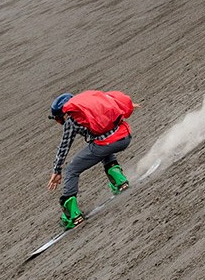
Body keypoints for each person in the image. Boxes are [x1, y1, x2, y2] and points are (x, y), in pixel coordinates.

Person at [45, 89, 139, 229]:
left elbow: (64, 147)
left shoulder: (71, 119)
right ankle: (119, 180)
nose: (61, 123)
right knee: (99, 145)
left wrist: (57, 171)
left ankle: (72, 214)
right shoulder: (92, 107)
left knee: (71, 170)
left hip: (107, 143)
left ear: (64, 113)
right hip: (124, 136)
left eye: (59, 119)